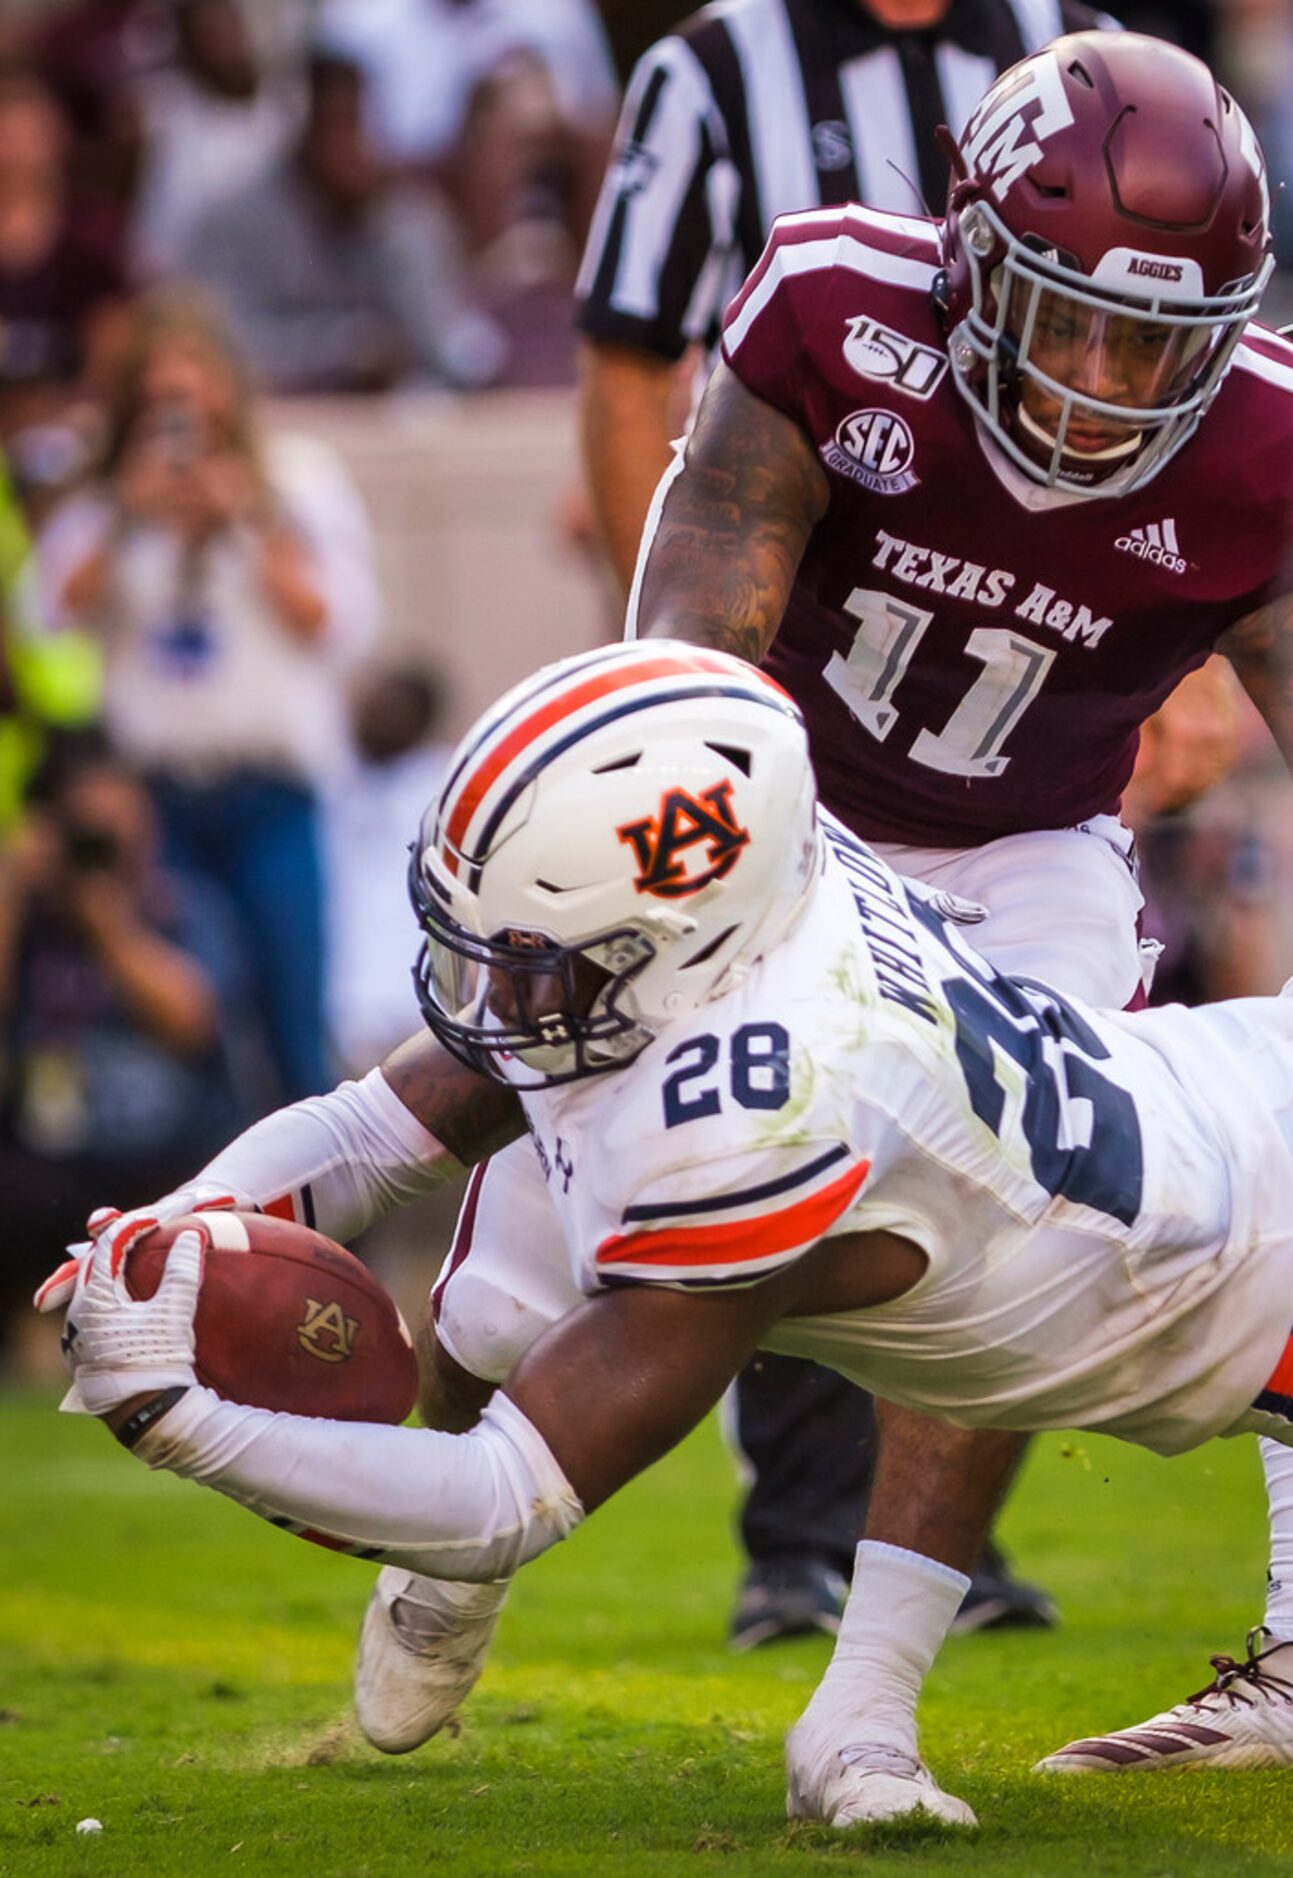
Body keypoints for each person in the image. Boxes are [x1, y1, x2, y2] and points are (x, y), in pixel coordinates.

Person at [46, 29, 1293, 1821]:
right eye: (1069, 318)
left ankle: (863, 1703)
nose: (1103, 384)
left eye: (1151, 341)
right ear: (965, 262)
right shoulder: (827, 308)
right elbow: (692, 646)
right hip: (768, 804)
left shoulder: (1256, 436)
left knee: (1019, 1220)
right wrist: (706, 888)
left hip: (1028, 846)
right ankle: (456, 1545)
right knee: (499, 1283)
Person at [38, 637, 1293, 1836]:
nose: (499, 994)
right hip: (1232, 1099)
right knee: (493, 1289)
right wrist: (173, 1224)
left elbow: (500, 1495)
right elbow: (378, 1130)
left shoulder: (767, 1113)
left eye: (533, 956)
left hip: (1255, 1271)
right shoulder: (749, 904)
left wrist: (182, 1419)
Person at [574, 0, 1120, 1647]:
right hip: (787, 662)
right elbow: (627, 362)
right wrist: (658, 683)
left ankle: (930, 1546)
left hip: (1009, 692)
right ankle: (798, 1535)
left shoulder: (1071, 50)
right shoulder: (715, 68)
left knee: (1017, 1116)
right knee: (771, 1094)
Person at [35, 285, 380, 1100]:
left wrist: (249, 520)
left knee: (296, 1020)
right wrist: (127, 513)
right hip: (160, 804)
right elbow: (49, 624)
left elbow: (337, 624)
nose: (179, 414)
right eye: (159, 397)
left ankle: (315, 1223)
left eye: (192, 392)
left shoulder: (296, 480)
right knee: (195, 1031)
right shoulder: (106, 496)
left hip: (272, 793)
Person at [2, 727, 251, 1361]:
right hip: (50, 1161)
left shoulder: (185, 906)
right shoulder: (28, 916)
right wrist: (9, 889)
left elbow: (191, 1019)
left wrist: (106, 921)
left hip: (170, 1160)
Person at [178, 51, 507, 394]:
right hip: (276, 417)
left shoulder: (402, 217)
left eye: (363, 125)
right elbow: (224, 345)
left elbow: (447, 346)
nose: (355, 145)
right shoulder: (236, 218)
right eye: (340, 124)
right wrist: (343, 350)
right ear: (305, 132)